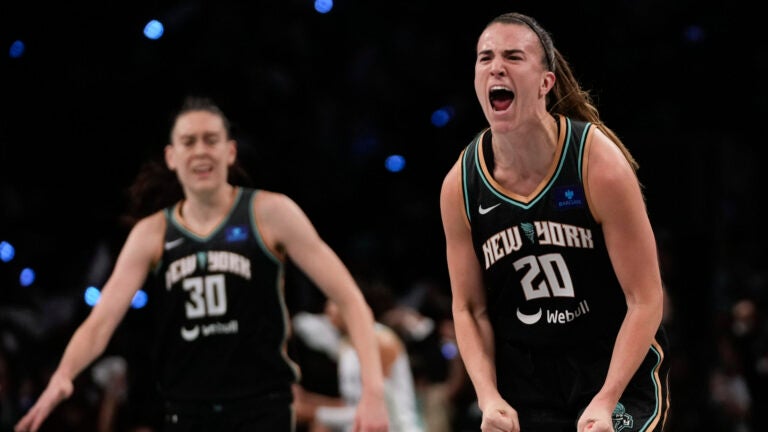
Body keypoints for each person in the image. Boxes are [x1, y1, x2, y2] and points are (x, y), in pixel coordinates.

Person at [14, 96, 389, 432]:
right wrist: (64, 375)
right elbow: (100, 323)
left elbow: (351, 300)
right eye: (188, 142)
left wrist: (373, 392)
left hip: (262, 410)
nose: (200, 151)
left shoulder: (270, 213)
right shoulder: (151, 233)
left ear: (230, 152)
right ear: (171, 157)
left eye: (211, 140)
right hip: (186, 412)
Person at [439, 12, 671, 432]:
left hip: (611, 364)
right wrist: (488, 397)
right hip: (527, 379)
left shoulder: (597, 164)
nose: (496, 66)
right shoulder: (461, 185)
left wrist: (606, 400)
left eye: (513, 56)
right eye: (485, 57)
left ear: (546, 83)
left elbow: (646, 298)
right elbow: (469, 309)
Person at [292, 295, 424, 432]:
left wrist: (314, 413)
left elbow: (380, 407)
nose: (328, 309)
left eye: (334, 303)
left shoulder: (381, 340)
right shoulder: (345, 344)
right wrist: (307, 400)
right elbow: (351, 403)